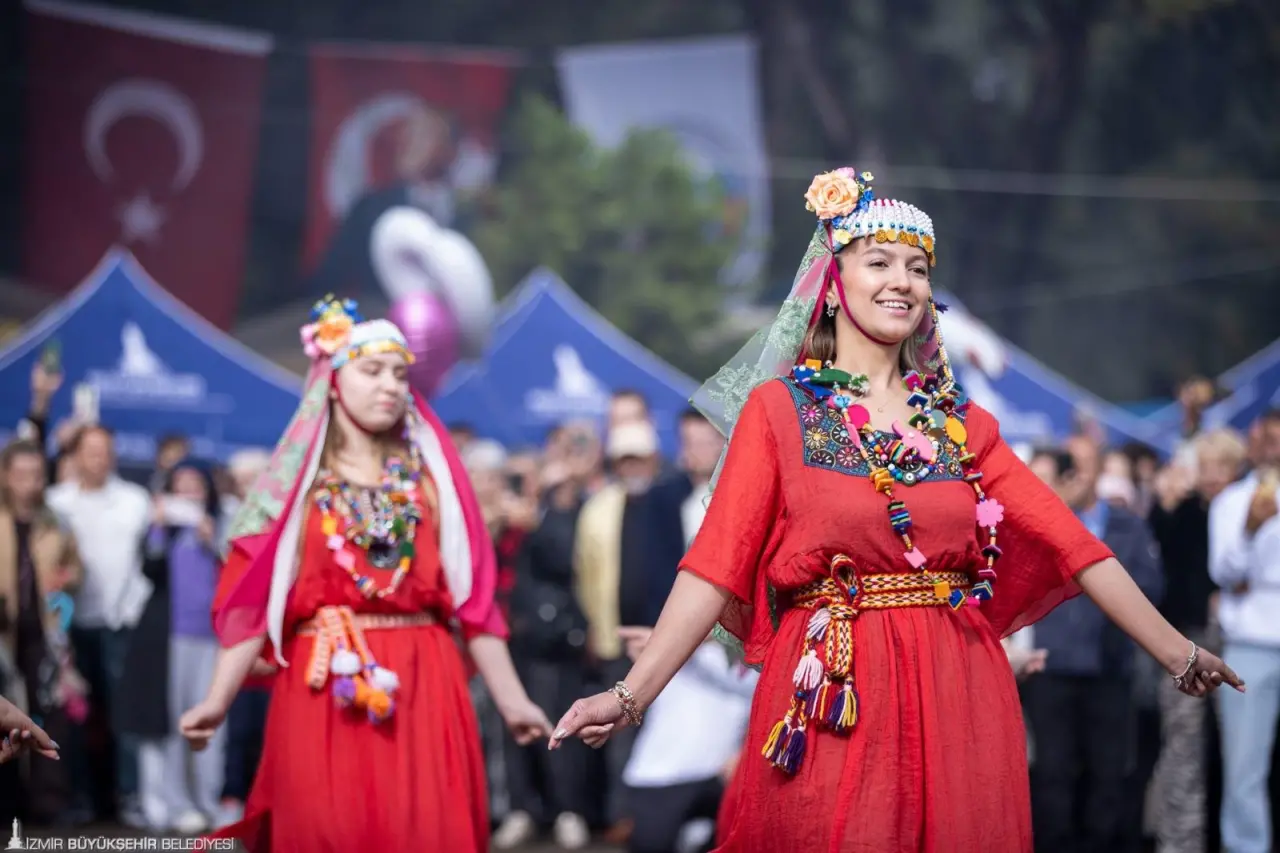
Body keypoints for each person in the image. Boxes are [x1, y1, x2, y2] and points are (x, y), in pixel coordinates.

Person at [549, 168, 1242, 852]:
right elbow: (715, 564)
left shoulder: (962, 425)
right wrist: (631, 694)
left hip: (956, 685)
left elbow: (1075, 546)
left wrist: (1178, 653)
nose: (901, 281)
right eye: (878, 261)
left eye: (917, 267)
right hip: (835, 688)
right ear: (833, 281)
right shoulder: (782, 412)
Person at [179, 297, 552, 852]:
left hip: (426, 683)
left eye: (400, 374)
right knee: (324, 829)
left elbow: (474, 608)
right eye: (372, 370)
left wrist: (513, 700)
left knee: (424, 832)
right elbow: (255, 600)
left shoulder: (435, 485)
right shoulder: (290, 489)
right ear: (333, 380)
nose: (391, 385)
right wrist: (217, 699)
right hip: (322, 682)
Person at [120, 459, 226, 834]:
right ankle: (176, 803)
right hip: (171, 642)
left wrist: (212, 538)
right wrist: (158, 527)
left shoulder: (220, 526)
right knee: (175, 724)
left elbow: (237, 571)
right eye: (179, 485)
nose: (187, 493)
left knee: (212, 724)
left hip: (214, 642)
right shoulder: (161, 533)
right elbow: (148, 568)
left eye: (194, 485)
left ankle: (209, 801)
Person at [1209, 408, 1280, 853]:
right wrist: (1252, 528)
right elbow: (1224, 571)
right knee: (1244, 770)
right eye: (1263, 436)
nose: (1269, 445)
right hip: (1250, 646)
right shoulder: (1231, 502)